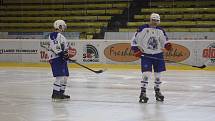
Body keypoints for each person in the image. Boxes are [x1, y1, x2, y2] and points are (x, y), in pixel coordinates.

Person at [131, 13, 172, 103]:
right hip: (146, 55)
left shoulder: (161, 30)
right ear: (150, 20)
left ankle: (157, 91)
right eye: (153, 20)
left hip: (158, 54)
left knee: (158, 75)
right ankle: (143, 92)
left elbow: (164, 40)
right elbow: (135, 39)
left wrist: (167, 45)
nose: (155, 22)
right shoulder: (143, 28)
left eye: (157, 20)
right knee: (146, 74)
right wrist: (135, 49)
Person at [48, 20, 70, 100]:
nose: (64, 27)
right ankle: (55, 93)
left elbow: (65, 48)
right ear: (59, 26)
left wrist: (66, 55)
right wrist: (61, 53)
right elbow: (55, 46)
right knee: (60, 76)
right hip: (55, 58)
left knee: (65, 76)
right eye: (63, 26)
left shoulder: (62, 36)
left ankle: (61, 93)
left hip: (61, 58)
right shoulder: (54, 35)